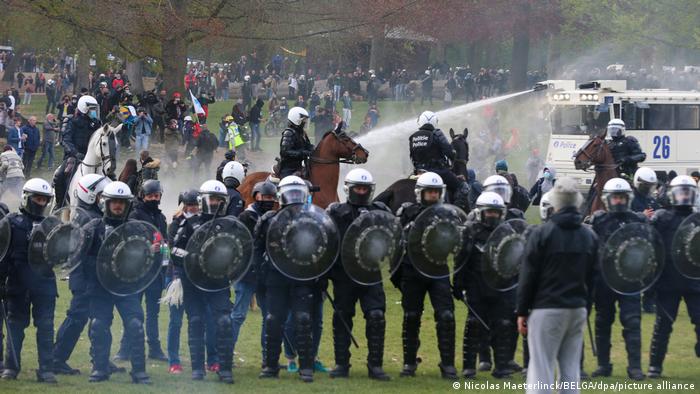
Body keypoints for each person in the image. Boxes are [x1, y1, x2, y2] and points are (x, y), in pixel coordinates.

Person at [517, 177, 598, 393]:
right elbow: (593, 278)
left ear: (554, 202)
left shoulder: (542, 233)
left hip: (547, 308)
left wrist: (522, 311)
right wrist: (585, 307)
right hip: (577, 308)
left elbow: (528, 275)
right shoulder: (589, 236)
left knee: (541, 368)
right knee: (571, 370)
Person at [81, 181, 151, 384]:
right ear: (106, 203)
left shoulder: (137, 228)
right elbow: (81, 258)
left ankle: (139, 372)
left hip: (126, 287)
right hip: (100, 287)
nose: (118, 206)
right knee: (99, 325)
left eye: (122, 202)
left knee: (136, 325)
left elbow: (146, 258)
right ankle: (100, 368)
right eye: (115, 202)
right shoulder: (93, 228)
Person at [325, 169, 391, 380]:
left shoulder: (379, 211)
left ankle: (375, 366)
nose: (362, 192)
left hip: (371, 273)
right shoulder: (335, 212)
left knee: (376, 316)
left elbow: (391, 239)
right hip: (344, 275)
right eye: (358, 188)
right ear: (349, 189)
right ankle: (341, 364)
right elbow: (328, 242)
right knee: (342, 317)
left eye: (365, 188)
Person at [394, 172, 458, 379]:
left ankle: (447, 364)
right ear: (420, 192)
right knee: (411, 316)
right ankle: (409, 363)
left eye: (436, 192)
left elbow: (458, 242)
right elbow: (395, 241)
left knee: (446, 316)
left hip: (438, 269)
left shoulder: (448, 214)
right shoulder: (407, 211)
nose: (432, 195)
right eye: (429, 192)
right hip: (412, 270)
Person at [170, 180, 235, 383]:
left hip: (218, 282)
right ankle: (198, 368)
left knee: (224, 322)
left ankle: (224, 369)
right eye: (212, 198)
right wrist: (192, 257)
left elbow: (240, 252)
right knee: (196, 322)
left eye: (219, 199)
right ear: (204, 199)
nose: (215, 203)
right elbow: (175, 251)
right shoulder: (188, 223)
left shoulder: (230, 224)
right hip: (193, 282)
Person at [256, 176, 317, 382]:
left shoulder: (311, 219)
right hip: (276, 277)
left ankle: (306, 367)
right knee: (273, 320)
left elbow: (321, 247)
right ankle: (271, 366)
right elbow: (257, 251)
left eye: (297, 193)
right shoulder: (268, 220)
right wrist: (261, 277)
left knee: (303, 320)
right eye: (289, 193)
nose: (293, 198)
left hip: (302, 277)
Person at [52, 174, 114, 376]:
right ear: (90, 195)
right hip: (85, 278)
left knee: (100, 317)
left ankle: (100, 358)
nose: (105, 201)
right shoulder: (89, 218)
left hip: (91, 278)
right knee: (77, 317)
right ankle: (57, 358)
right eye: (101, 196)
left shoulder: (86, 214)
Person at [453, 191, 517, 379]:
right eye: (489, 212)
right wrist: (458, 283)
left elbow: (513, 262)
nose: (492, 216)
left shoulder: (506, 232)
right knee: (473, 324)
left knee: (503, 324)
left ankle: (502, 366)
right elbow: (461, 260)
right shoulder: (469, 231)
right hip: (476, 285)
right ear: (481, 212)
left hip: (500, 286)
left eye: (496, 212)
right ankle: (469, 367)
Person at [0, 178, 57, 383]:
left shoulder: (53, 225)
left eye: (44, 199)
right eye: (38, 198)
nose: (41, 203)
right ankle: (11, 367)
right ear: (27, 198)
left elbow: (61, 255)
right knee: (15, 326)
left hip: (45, 284)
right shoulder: (10, 222)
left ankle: (46, 370)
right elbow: (2, 254)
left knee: (46, 326)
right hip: (17, 284)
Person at [589, 178, 647, 380]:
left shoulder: (637, 221)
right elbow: (591, 250)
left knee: (632, 322)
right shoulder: (598, 221)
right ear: (608, 199)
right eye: (615, 197)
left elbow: (645, 249)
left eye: (622, 197)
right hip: (604, 281)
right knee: (603, 322)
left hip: (629, 281)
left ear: (628, 198)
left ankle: (635, 367)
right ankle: (603, 366)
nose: (619, 201)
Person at [648, 175, 700, 378]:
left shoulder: (697, 220)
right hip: (667, 282)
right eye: (681, 192)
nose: (684, 196)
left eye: (688, 192)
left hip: (695, 282)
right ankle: (655, 367)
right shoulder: (662, 218)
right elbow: (651, 247)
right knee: (663, 325)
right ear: (673, 194)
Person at [113, 181, 168, 363]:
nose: (153, 199)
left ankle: (154, 348)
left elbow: (165, 240)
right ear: (142, 196)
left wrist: (165, 255)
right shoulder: (134, 216)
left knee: (153, 313)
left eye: (156, 195)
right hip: (136, 272)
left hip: (155, 272)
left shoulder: (160, 218)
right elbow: (129, 243)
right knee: (133, 312)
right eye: (150, 196)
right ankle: (125, 348)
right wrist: (147, 248)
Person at [234, 181, 277, 366]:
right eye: (265, 196)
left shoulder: (272, 217)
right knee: (238, 315)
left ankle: (268, 358)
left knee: (269, 316)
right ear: (256, 195)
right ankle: (225, 354)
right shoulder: (246, 216)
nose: (269, 200)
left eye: (271, 197)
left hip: (265, 273)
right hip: (247, 272)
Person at [165, 189, 200, 374]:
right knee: (176, 321)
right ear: (185, 206)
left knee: (197, 320)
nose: (194, 208)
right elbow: (173, 250)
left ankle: (203, 360)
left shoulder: (202, 222)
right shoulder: (175, 224)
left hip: (196, 277)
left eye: (196, 205)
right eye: (191, 205)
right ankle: (174, 361)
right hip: (176, 275)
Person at [408, 111, 470, 211]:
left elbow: (412, 157)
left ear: (420, 121)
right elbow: (449, 152)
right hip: (438, 172)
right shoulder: (437, 134)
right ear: (434, 122)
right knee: (462, 187)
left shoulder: (413, 137)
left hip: (418, 172)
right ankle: (457, 213)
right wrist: (453, 155)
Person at [54, 95, 101, 208]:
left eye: (95, 109)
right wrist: (75, 153)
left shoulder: (97, 123)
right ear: (83, 108)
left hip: (92, 156)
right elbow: (65, 140)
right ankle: (59, 204)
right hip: (74, 156)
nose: (94, 112)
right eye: (91, 109)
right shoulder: (70, 120)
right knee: (60, 176)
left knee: (110, 174)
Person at [278, 107, 314, 178]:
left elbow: (308, 145)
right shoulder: (288, 133)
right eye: (304, 120)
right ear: (296, 119)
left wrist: (315, 149)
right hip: (288, 169)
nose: (305, 122)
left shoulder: (302, 133)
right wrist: (302, 153)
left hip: (299, 166)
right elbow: (285, 152)